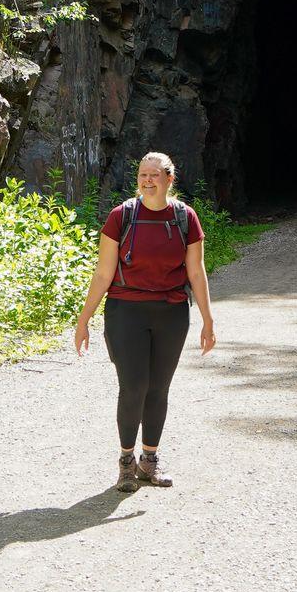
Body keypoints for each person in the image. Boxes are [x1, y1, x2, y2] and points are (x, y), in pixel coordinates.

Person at [73, 152, 216, 491]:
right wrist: (85, 318)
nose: (148, 180)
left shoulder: (185, 218)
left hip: (171, 311)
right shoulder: (120, 217)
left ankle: (148, 462)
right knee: (133, 386)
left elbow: (196, 271)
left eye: (155, 174)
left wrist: (208, 320)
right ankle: (126, 462)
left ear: (169, 179)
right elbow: (104, 271)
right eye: (142, 174)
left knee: (158, 388)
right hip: (126, 310)